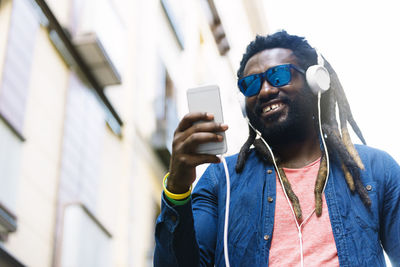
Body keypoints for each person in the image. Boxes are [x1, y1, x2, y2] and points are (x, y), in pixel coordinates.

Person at [153, 31, 400, 266]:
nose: (266, 90)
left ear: (315, 82)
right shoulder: (221, 179)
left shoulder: (375, 169)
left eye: (279, 75)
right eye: (251, 84)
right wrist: (177, 187)